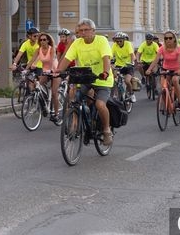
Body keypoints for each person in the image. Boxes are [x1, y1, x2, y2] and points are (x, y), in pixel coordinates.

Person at [58, 18, 114, 146]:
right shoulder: (77, 43)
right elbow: (67, 58)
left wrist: (105, 72)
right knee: (74, 98)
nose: (83, 33)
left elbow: (106, 58)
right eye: (80, 30)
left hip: (102, 79)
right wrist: (57, 71)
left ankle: (106, 130)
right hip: (85, 78)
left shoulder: (101, 40)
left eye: (86, 30)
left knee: (100, 104)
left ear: (93, 31)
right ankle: (75, 124)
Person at [147, 29, 180, 109]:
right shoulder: (162, 48)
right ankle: (167, 103)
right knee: (163, 87)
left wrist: (179, 70)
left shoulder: (179, 49)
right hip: (166, 69)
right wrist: (149, 69)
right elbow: (156, 60)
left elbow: (179, 61)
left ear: (174, 38)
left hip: (177, 69)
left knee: (174, 80)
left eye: (170, 38)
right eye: (166, 38)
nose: (168, 40)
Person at [27, 32, 60, 121]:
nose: (42, 41)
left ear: (48, 40)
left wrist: (50, 70)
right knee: (36, 84)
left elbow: (52, 60)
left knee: (54, 93)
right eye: (40, 40)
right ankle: (42, 104)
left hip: (55, 71)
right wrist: (26, 69)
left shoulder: (52, 49)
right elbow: (32, 60)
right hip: (45, 71)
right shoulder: (38, 50)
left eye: (44, 39)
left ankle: (56, 114)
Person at [111, 32, 136, 102]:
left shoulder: (128, 44)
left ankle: (132, 94)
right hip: (118, 65)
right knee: (113, 79)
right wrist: (110, 62)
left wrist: (132, 62)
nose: (118, 42)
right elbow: (110, 55)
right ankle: (114, 94)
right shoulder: (114, 45)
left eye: (120, 41)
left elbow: (132, 55)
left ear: (124, 40)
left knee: (127, 81)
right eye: (117, 41)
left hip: (128, 65)